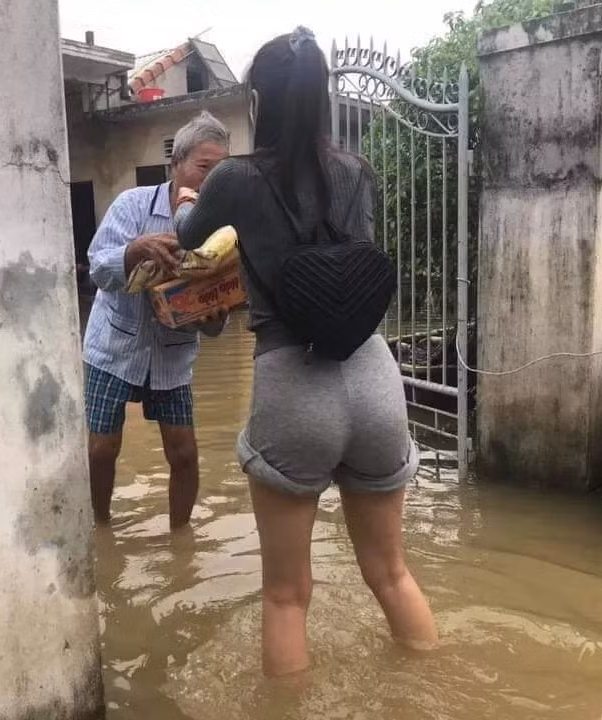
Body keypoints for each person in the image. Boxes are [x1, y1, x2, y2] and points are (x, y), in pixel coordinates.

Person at [173, 29, 438, 675]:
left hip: (293, 380)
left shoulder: (233, 178)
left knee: (286, 597)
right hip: (374, 375)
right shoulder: (357, 172)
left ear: (258, 101)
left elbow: (188, 241)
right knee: (393, 573)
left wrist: (186, 200)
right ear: (322, 99)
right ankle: (431, 682)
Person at [83, 111, 231, 529]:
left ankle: (180, 537)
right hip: (114, 346)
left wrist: (211, 318)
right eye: (204, 168)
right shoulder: (132, 206)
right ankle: (100, 526)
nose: (210, 180)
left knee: (184, 452)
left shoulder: (222, 229)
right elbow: (97, 269)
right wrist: (134, 250)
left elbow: (219, 316)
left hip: (172, 355)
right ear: (177, 165)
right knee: (102, 449)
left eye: (220, 172)